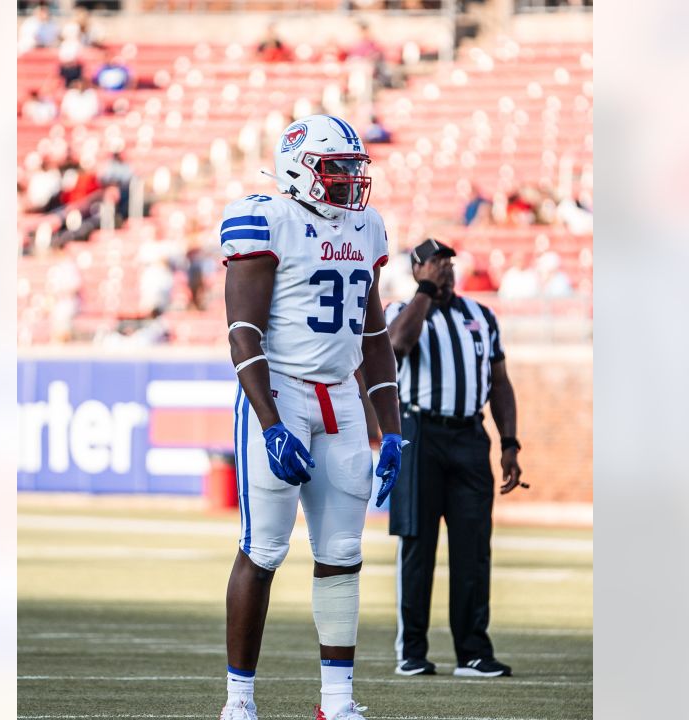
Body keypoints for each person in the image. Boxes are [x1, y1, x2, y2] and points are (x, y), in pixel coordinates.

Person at [219, 115, 404, 720]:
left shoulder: (367, 225)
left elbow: (373, 332)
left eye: (355, 167)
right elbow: (244, 332)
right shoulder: (269, 219)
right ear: (300, 168)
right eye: (337, 167)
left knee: (344, 551)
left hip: (342, 402)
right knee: (264, 548)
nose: (351, 179)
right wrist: (270, 422)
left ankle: (337, 702)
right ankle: (240, 701)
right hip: (282, 392)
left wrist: (393, 427)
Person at [384, 238, 530, 679]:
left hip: (469, 436)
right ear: (416, 270)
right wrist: (424, 293)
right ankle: (412, 650)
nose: (444, 269)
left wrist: (509, 442)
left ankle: (473, 651)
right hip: (420, 433)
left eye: (448, 262)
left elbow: (500, 382)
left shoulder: (481, 317)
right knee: (418, 546)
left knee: (473, 549)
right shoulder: (399, 311)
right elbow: (397, 346)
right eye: (434, 263)